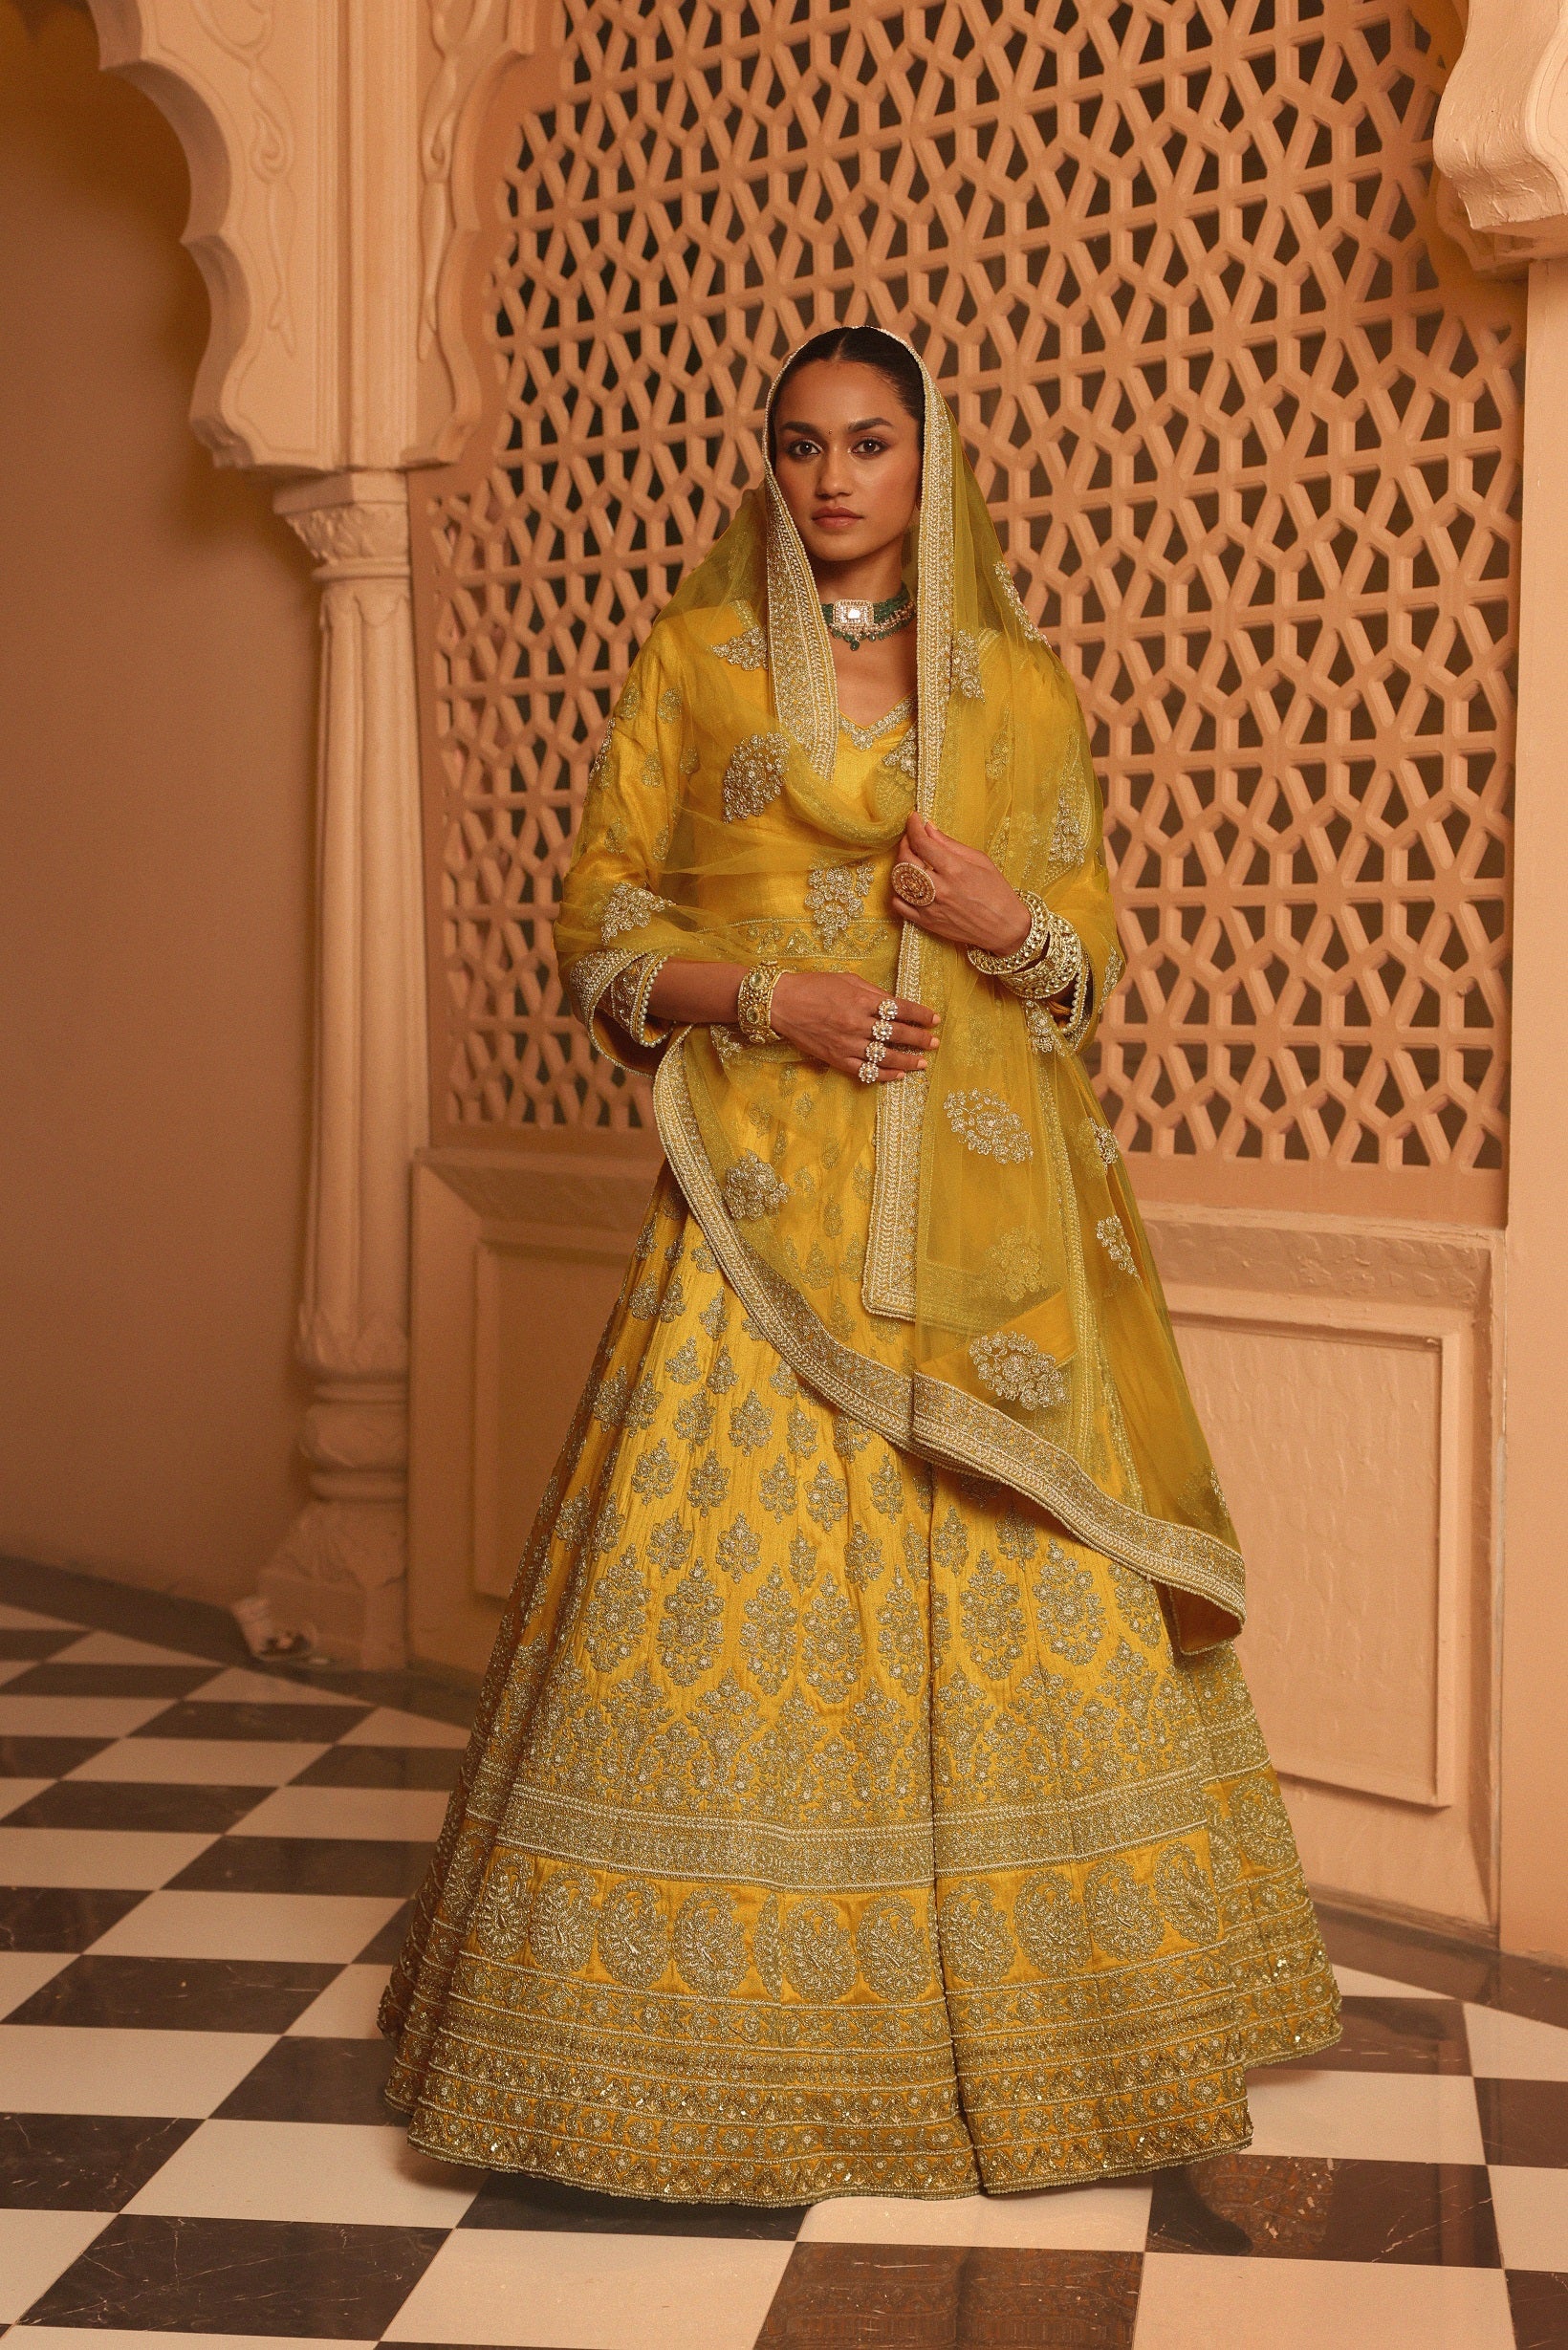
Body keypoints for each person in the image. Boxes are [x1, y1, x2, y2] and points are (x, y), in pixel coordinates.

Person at [381, 325, 1339, 2205]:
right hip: (755, 1202)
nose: (833, 478)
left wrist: (1006, 917)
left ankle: (1062, 2038)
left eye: (871, 442)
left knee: (1019, 1576)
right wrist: (774, 999)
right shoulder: (694, 662)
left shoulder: (1020, 690)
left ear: (930, 460)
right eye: (803, 444)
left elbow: (1082, 956)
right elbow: (594, 928)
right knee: (719, 1614)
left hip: (986, 1228)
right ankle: (698, 2063)